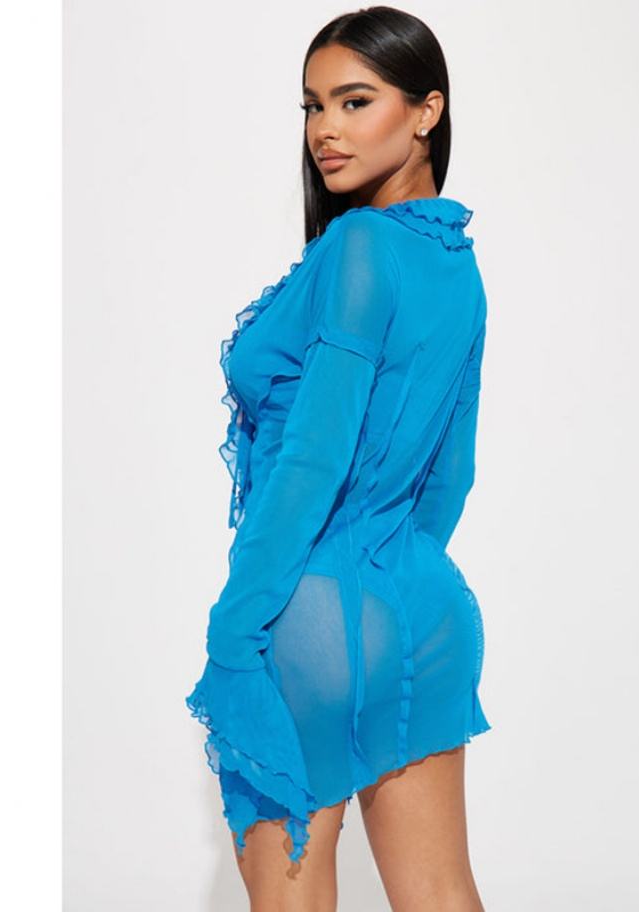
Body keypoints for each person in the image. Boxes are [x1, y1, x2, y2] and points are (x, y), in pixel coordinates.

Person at [186, 8, 492, 910]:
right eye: (314, 106)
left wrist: (239, 628)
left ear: (427, 110)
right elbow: (449, 476)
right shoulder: (457, 265)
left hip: (309, 618)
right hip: (425, 609)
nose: (326, 129)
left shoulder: (358, 244)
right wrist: (388, 577)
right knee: (441, 893)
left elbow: (312, 461)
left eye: (355, 102)